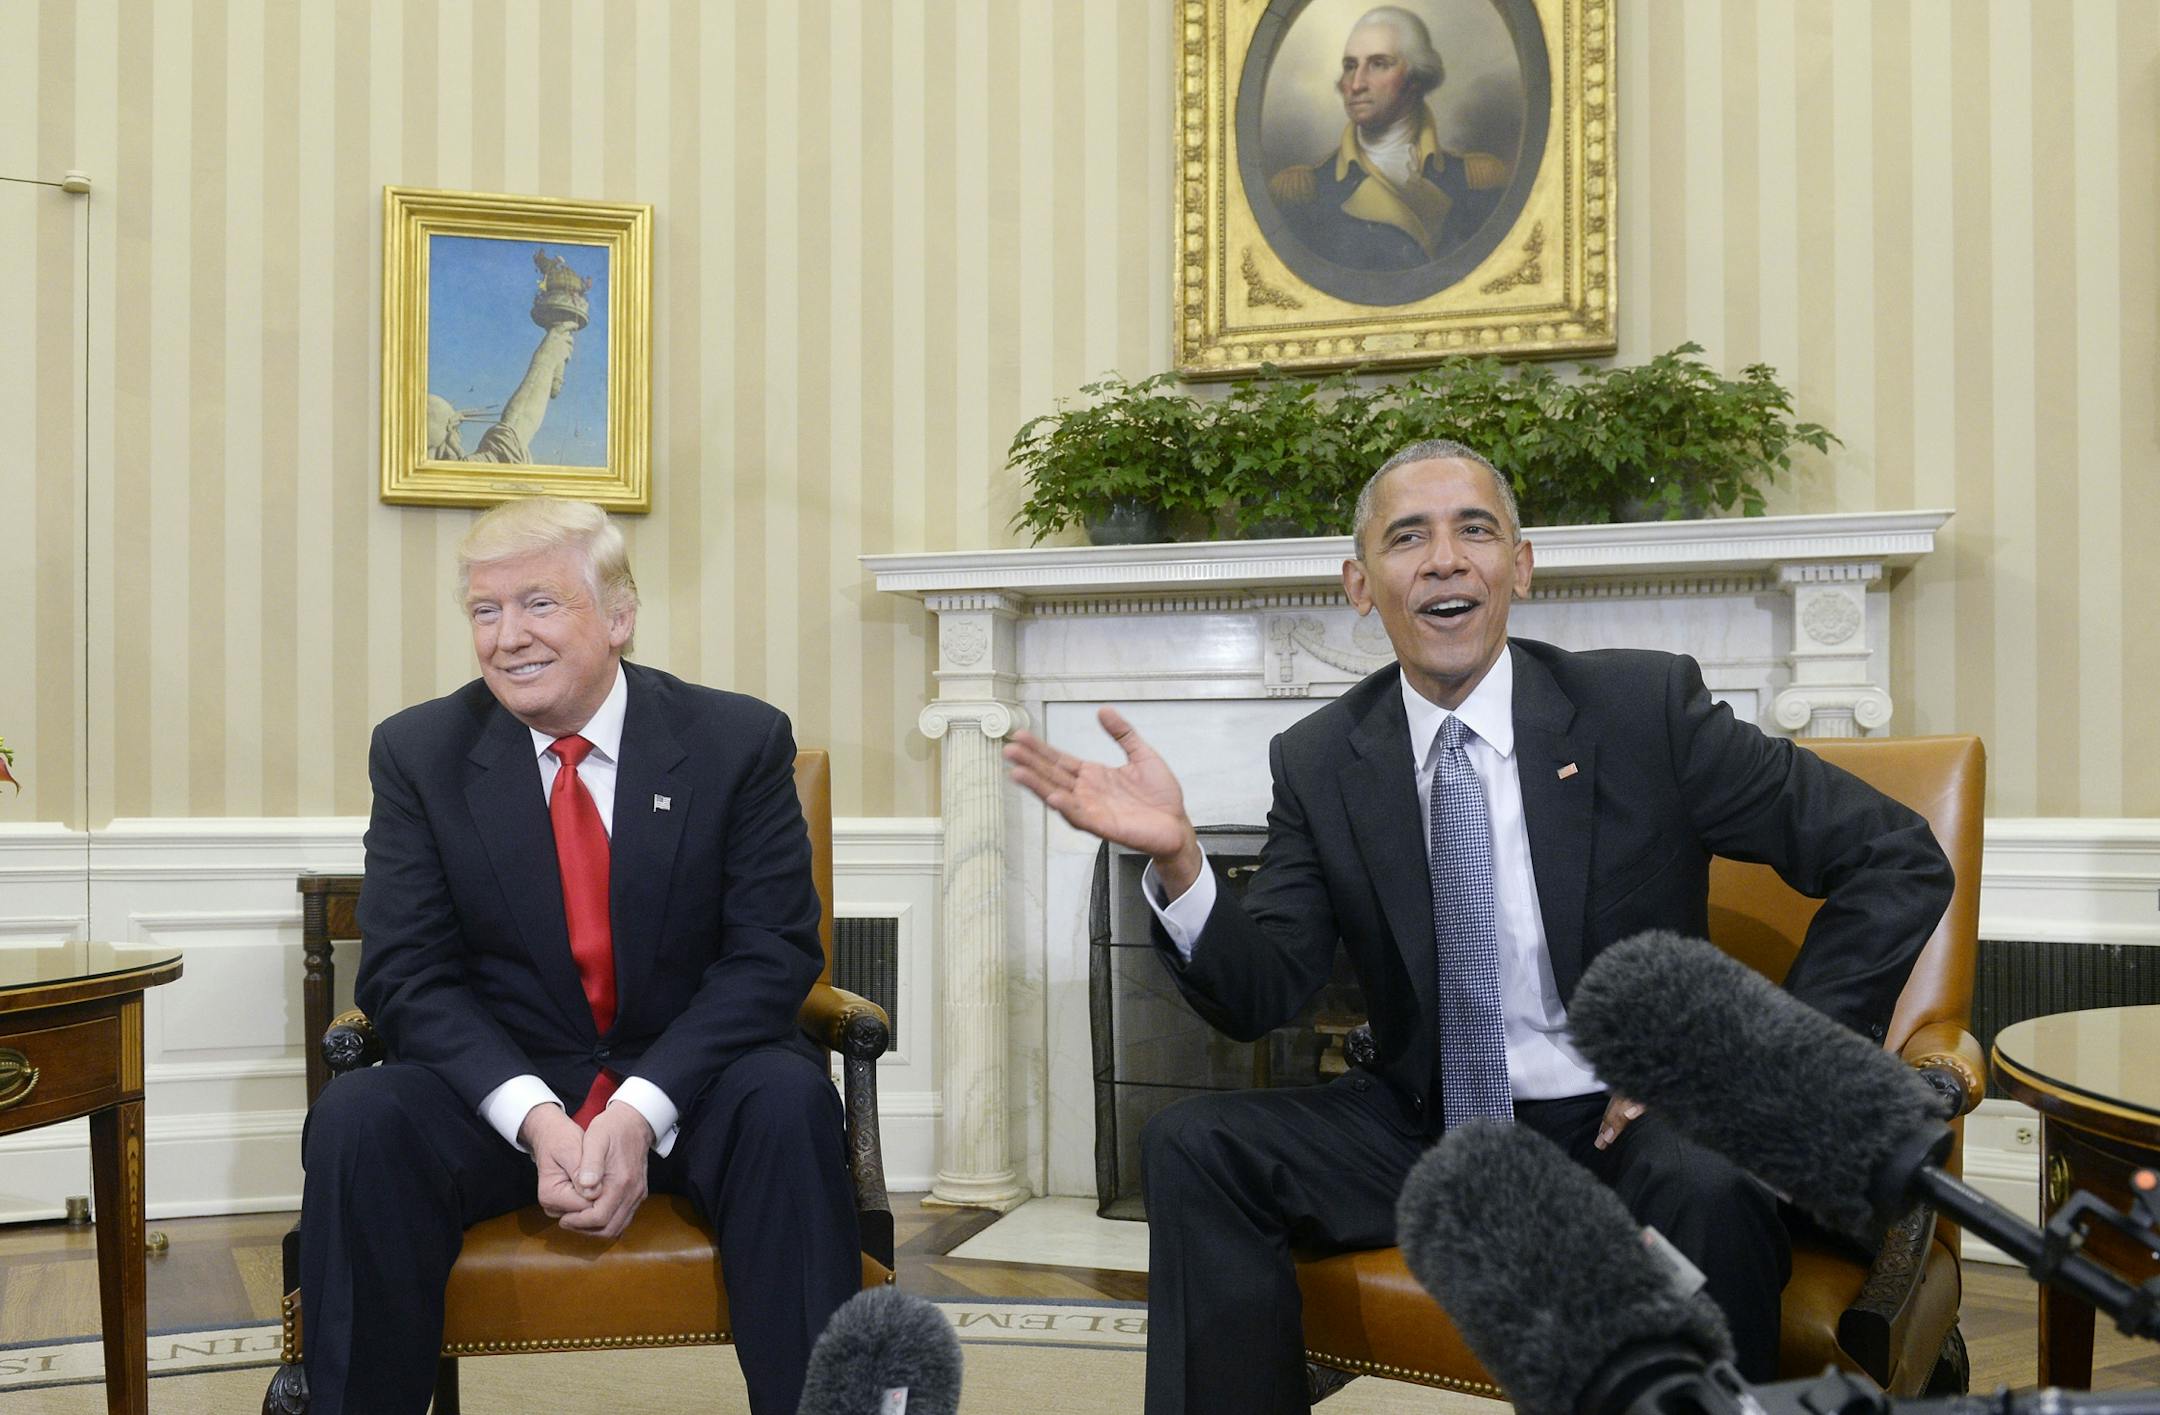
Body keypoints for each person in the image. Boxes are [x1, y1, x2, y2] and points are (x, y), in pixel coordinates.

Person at [1005, 441, 1953, 1414]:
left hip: (1627, 1122)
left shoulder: (1644, 710)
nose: (1445, 559)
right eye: (1407, 537)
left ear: (1521, 566)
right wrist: (1181, 860)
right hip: (1429, 1123)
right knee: (1194, 1143)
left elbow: (1895, 855)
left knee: (1709, 1182)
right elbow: (1263, 991)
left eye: (1475, 530)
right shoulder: (1322, 759)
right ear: (1360, 584)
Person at [298, 497, 857, 1415]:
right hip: (503, 1098)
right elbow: (405, 970)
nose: (508, 636)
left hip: (693, 1090)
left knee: (789, 1102)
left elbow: (772, 954)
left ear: (619, 616)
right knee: (360, 1118)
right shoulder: (420, 753)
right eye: (486, 610)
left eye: (539, 604)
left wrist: (638, 1107)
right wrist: (534, 1116)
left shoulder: (736, 741)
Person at [1268, 6, 1511, 272]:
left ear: (1415, 78)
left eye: (1379, 64)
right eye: (1350, 66)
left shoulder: (1475, 181)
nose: (1356, 84)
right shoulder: (1306, 192)